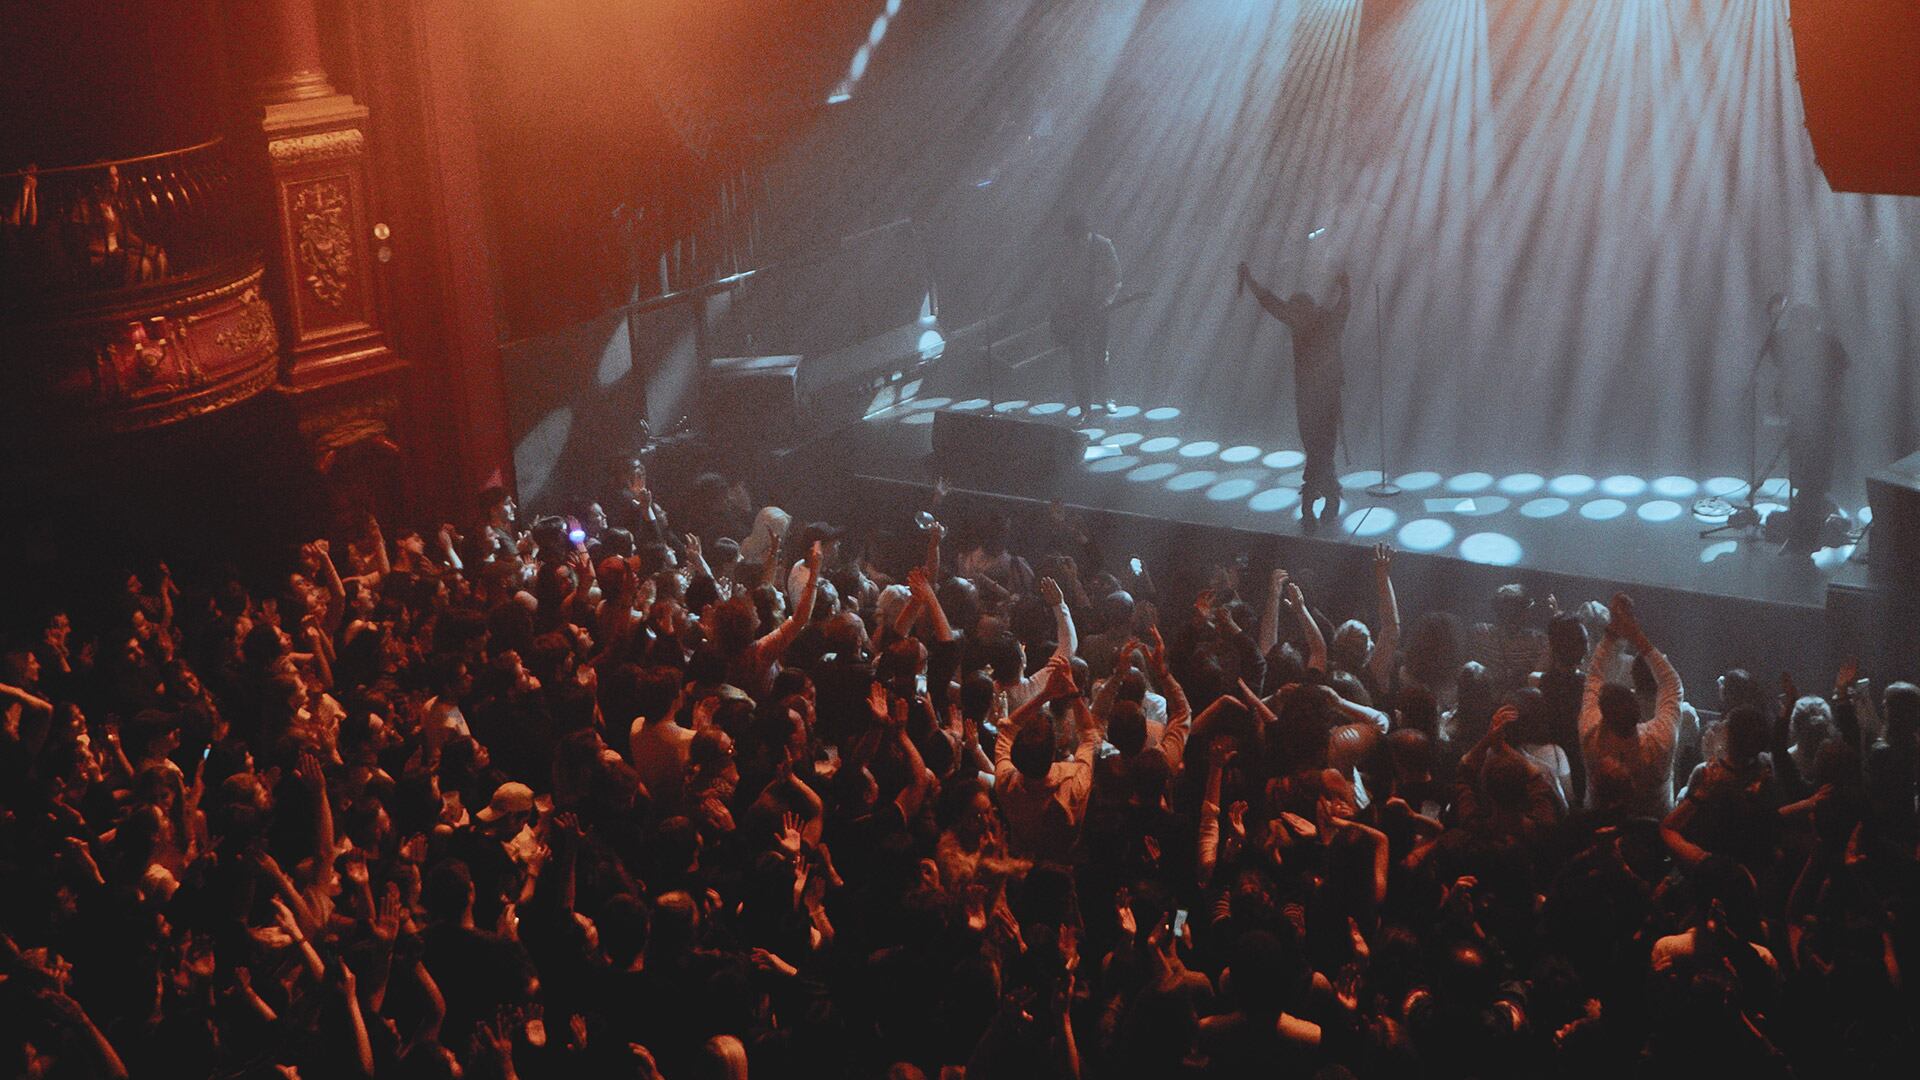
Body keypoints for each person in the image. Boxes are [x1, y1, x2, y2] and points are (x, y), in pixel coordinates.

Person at [1236, 261, 1351, 521]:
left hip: (1319, 396)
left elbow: (1271, 302)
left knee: (1317, 447)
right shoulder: (1321, 321)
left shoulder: (1316, 322)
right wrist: (1346, 287)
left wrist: (1250, 279)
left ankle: (1314, 492)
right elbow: (1272, 303)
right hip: (1315, 396)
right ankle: (1327, 492)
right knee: (1319, 447)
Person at [1050, 212, 1122, 422]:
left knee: (1100, 355)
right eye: (1072, 239)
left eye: (1079, 238)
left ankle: (1105, 397)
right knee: (1077, 360)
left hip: (1099, 309)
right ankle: (1084, 406)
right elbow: (1056, 278)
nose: (1076, 243)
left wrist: (1105, 302)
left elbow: (1116, 278)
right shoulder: (1065, 247)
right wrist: (1062, 306)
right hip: (1073, 310)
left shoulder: (1103, 246)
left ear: (1087, 233)